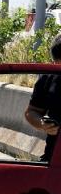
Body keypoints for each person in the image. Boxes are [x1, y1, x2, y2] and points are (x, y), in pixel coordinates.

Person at [25, 33, 61, 162]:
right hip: (55, 158)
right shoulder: (47, 78)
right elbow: (31, 112)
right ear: (55, 62)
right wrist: (42, 124)